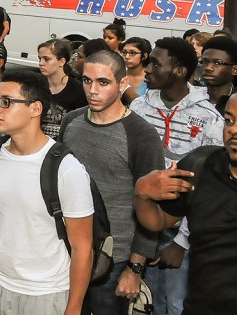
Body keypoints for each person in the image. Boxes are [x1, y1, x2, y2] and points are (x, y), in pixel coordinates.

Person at [0, 69, 94, 315]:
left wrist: (74, 308)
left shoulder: (66, 170)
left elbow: (82, 247)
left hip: (45, 294)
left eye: (6, 102)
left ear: (35, 109)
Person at [133, 81, 237, 315]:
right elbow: (158, 221)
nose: (235, 129)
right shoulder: (201, 165)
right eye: (229, 120)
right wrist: (143, 193)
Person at [59, 50, 165, 315]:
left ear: (123, 83)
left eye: (103, 82)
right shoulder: (71, 121)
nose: (92, 90)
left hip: (115, 258)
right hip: (67, 251)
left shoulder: (141, 135)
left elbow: (151, 205)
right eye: (86, 81)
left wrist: (135, 268)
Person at [130, 36, 224, 315]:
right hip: (139, 220)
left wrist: (182, 241)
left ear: (180, 72)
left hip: (180, 229)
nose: (147, 68)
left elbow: (210, 185)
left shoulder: (209, 118)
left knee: (175, 303)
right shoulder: (139, 108)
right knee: (141, 299)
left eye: (155, 64)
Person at [38, 39, 87, 139]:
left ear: (62, 61)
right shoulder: (36, 86)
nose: (41, 63)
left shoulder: (78, 90)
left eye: (46, 59)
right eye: (40, 59)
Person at [198, 36, 237, 115]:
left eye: (218, 63)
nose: (208, 68)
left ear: (235, 69)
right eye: (205, 62)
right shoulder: (189, 98)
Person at [120, 37, 152, 104]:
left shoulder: (150, 79)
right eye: (124, 52)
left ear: (144, 56)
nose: (127, 57)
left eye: (132, 53)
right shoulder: (119, 75)